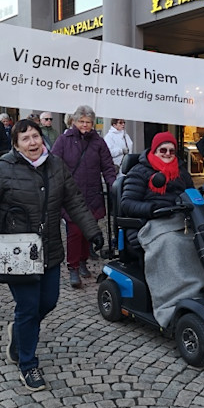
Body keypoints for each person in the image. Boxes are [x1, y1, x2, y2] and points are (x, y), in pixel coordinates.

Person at [0, 119, 103, 391]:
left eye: (36, 136)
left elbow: (74, 201)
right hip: (17, 251)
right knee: (28, 308)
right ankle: (27, 364)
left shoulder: (56, 166)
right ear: (16, 145)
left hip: (50, 247)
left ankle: (18, 333)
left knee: (48, 302)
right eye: (25, 138)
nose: (33, 142)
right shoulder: (1, 170)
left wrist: (93, 232)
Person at [120, 132, 204, 328]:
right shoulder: (139, 171)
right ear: (154, 150)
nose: (168, 154)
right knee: (173, 243)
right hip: (149, 223)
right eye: (163, 150)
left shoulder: (182, 172)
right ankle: (171, 301)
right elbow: (127, 203)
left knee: (201, 241)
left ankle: (201, 288)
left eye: (171, 151)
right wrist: (152, 209)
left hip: (180, 220)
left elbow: (191, 193)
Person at [51, 105, 117, 287]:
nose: (85, 125)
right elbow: (54, 165)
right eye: (81, 121)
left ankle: (82, 261)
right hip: (71, 196)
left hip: (93, 193)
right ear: (74, 121)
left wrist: (114, 185)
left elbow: (108, 166)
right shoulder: (64, 140)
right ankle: (72, 267)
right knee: (74, 231)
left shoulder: (98, 142)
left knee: (88, 231)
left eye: (88, 122)